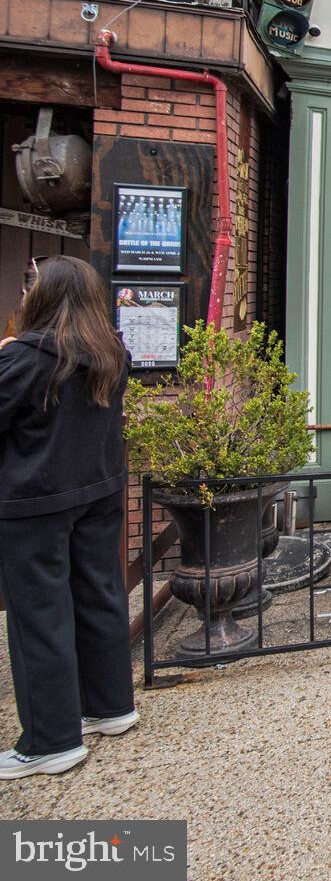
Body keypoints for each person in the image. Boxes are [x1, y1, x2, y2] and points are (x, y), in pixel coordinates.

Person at [0, 256, 136, 780]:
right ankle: (110, 706)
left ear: (44, 296)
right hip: (99, 491)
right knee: (101, 596)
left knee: (40, 615)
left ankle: (51, 740)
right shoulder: (111, 355)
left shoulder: (29, 359)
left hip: (36, 501)